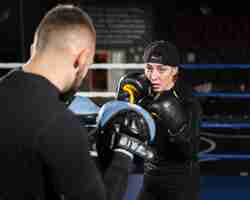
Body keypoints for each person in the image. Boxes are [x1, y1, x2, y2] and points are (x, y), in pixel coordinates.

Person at [0, 4, 155, 200]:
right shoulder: (58, 123)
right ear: (80, 60)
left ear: (34, 48)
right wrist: (124, 154)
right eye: (87, 66)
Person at [116, 40, 202, 200]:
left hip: (181, 180)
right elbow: (130, 143)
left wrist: (176, 125)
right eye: (149, 68)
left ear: (174, 71)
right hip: (151, 176)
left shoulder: (187, 101)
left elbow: (189, 152)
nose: (154, 76)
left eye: (161, 70)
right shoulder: (142, 92)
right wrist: (124, 112)